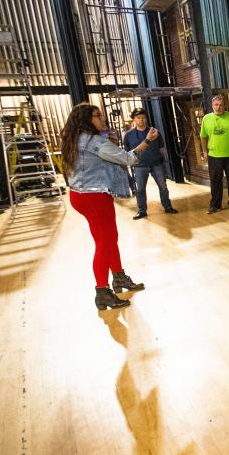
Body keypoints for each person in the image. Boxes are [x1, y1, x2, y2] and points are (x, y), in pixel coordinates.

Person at [60, 103, 151, 310]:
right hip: (94, 197)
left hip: (80, 196)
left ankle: (118, 277)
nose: (102, 119)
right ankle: (102, 292)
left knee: (109, 239)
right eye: (97, 116)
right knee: (105, 243)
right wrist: (147, 141)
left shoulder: (75, 138)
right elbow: (129, 158)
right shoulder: (93, 141)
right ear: (86, 120)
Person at [123, 107, 177, 219]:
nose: (141, 120)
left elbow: (162, 148)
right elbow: (127, 152)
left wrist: (165, 162)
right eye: (138, 118)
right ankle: (142, 210)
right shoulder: (128, 135)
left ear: (146, 118)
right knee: (140, 189)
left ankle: (167, 206)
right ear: (134, 119)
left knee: (163, 186)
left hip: (156, 164)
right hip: (139, 166)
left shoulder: (154, 132)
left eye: (143, 117)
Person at [199, 93, 229, 213]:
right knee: (215, 181)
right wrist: (204, 151)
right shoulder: (206, 118)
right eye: (216, 105)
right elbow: (203, 137)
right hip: (214, 156)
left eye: (221, 105)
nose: (218, 107)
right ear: (212, 105)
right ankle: (215, 205)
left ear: (225, 105)